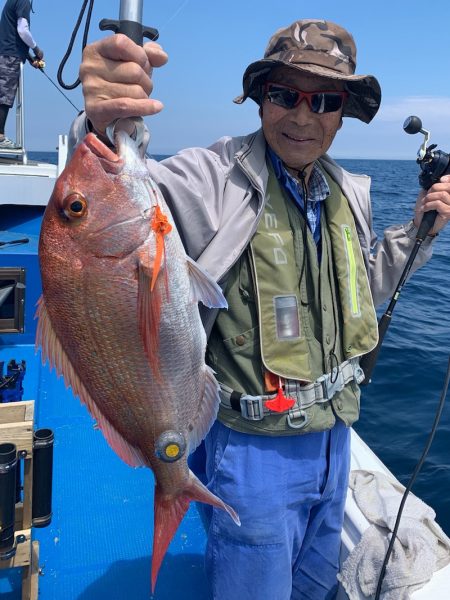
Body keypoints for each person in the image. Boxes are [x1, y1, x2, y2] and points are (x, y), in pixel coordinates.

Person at [71, 19, 450, 600]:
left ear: (343, 111)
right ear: (259, 97)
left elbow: (364, 290)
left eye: (324, 100)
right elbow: (105, 199)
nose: (303, 117)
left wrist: (419, 235)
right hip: (251, 453)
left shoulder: (347, 190)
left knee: (315, 583)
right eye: (284, 95)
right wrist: (98, 123)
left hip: (336, 441)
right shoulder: (211, 177)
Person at [0, 0, 43, 149]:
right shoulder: (23, 1)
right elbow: (22, 30)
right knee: (4, 96)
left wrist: (30, 58)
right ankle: (0, 137)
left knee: (3, 93)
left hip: (6, 54)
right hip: (10, 56)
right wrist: (36, 48)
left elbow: (14, 33)